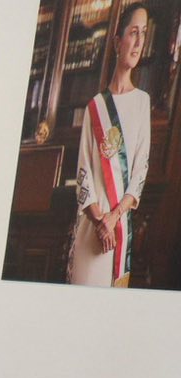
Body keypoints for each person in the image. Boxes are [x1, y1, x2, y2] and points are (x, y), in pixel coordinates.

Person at [70, 3, 153, 287]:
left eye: (143, 33)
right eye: (133, 32)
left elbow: (140, 171)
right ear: (118, 42)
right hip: (92, 227)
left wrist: (113, 219)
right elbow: (83, 174)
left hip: (117, 227)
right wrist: (98, 222)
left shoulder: (143, 103)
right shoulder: (95, 106)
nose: (140, 41)